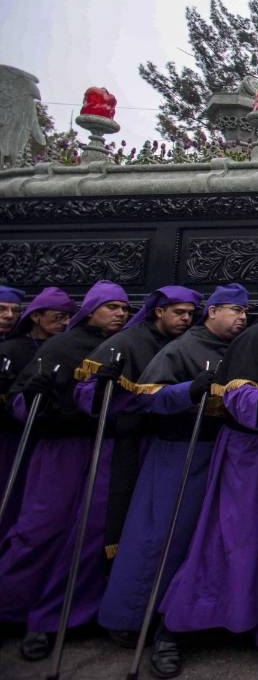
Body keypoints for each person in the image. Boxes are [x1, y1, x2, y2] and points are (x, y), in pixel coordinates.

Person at [154, 278, 258, 676]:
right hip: (250, 449)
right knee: (227, 536)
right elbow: (235, 390)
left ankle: (250, 621)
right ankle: (174, 628)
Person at [96, 284, 248, 649]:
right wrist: (189, 392)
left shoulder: (239, 348)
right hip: (179, 450)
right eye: (235, 311)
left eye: (246, 312)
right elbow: (148, 397)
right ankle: (131, 618)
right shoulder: (181, 348)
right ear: (212, 311)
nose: (242, 318)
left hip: (222, 450)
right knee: (159, 537)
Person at [0, 280, 129, 660]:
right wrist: (32, 396)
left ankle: (58, 618)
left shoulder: (125, 346)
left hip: (104, 447)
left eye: (124, 308)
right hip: (60, 450)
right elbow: (21, 404)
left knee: (89, 535)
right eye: (112, 307)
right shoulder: (62, 346)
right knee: (39, 529)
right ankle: (10, 607)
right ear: (91, 311)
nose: (121, 314)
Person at [74, 285, 203, 584]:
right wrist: (103, 387)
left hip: (159, 442)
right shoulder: (128, 341)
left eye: (190, 314)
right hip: (123, 442)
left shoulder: (184, 343)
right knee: (108, 519)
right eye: (179, 313)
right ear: (159, 311)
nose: (186, 319)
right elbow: (86, 394)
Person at [0, 287, 75, 538]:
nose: (9, 316)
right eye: (58, 316)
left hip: (41, 438)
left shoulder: (64, 348)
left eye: (68, 317)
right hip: (8, 437)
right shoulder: (12, 349)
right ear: (36, 316)